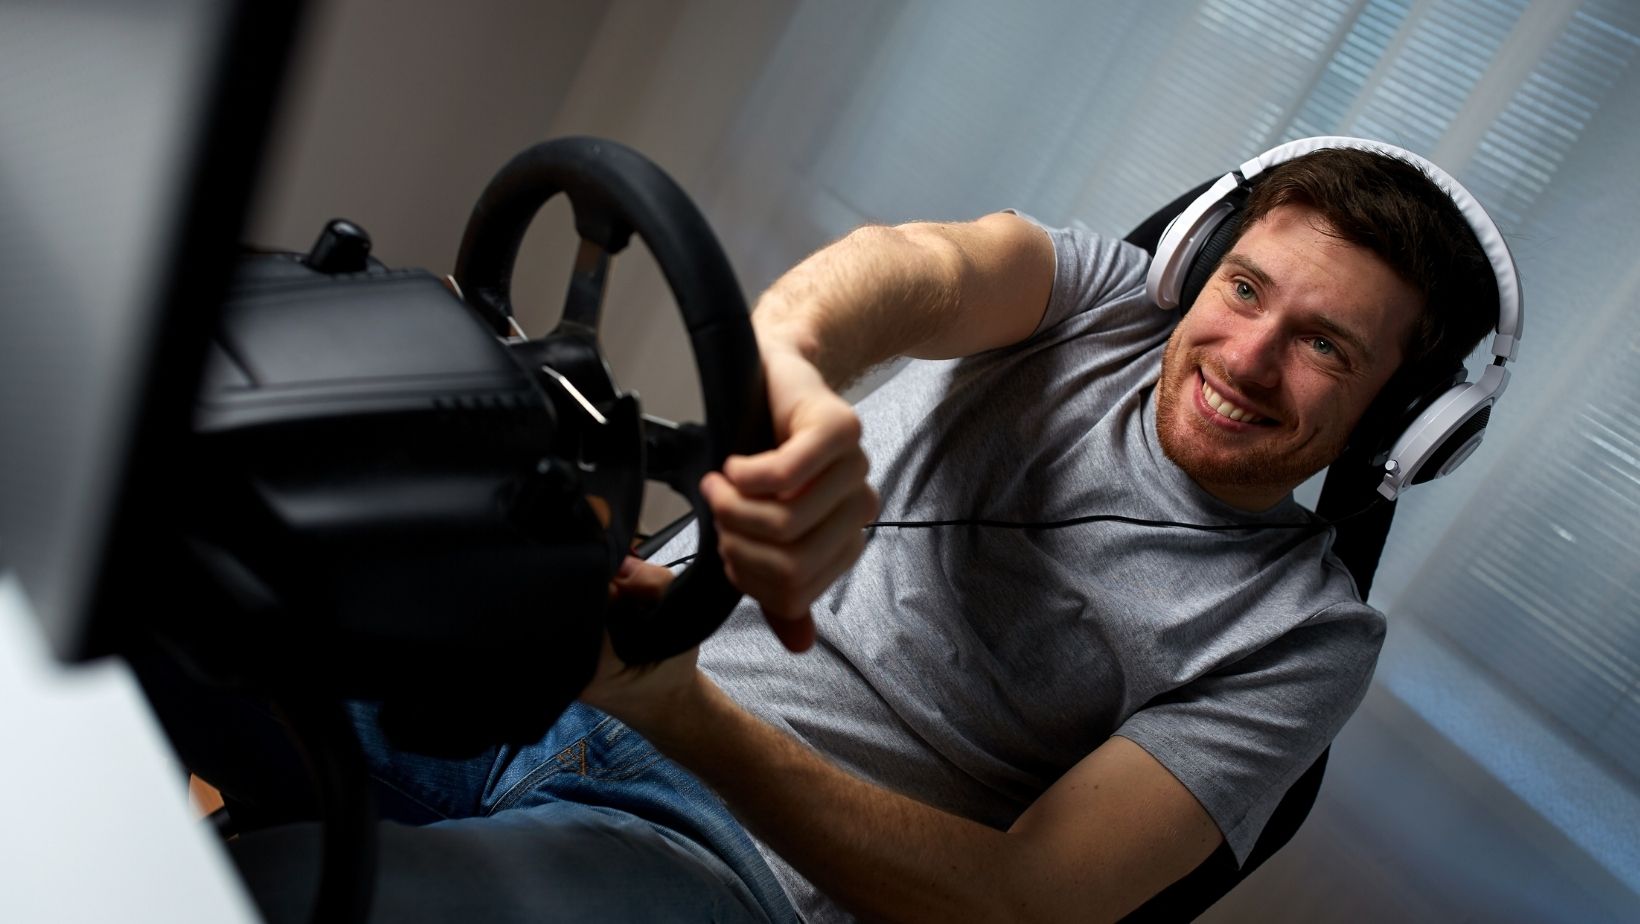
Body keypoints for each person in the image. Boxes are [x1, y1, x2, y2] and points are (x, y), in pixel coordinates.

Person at [221, 143, 1503, 923]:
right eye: (1243, 288)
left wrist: (679, 711)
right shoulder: (1101, 298)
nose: (1246, 355)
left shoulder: (1302, 643)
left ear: (1397, 422)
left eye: (1323, 346)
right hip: (556, 659)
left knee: (257, 898)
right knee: (172, 590)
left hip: (719, 856)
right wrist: (786, 371)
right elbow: (911, 267)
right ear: (1200, 265)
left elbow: (1026, 905)